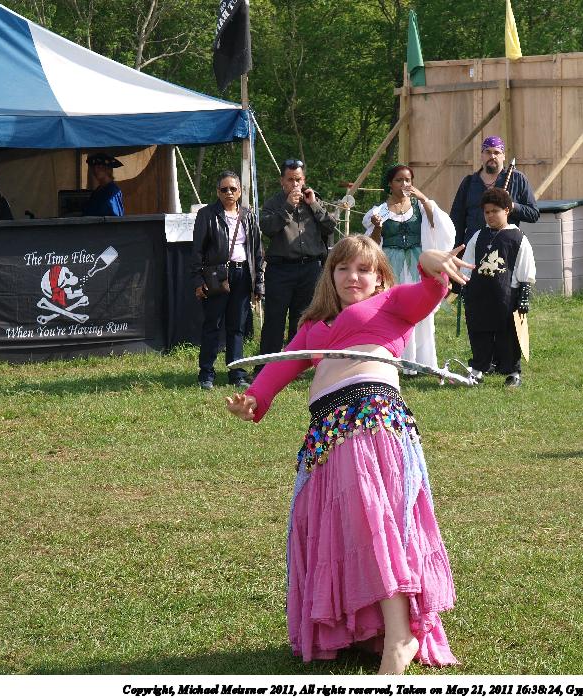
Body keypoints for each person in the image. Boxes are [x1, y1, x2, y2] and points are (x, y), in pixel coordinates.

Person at [225, 235, 471, 673]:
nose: (352, 277)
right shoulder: (314, 327)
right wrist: (253, 401)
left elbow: (429, 289)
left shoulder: (392, 304)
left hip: (369, 417)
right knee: (347, 527)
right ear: (330, 274)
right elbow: (280, 368)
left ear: (380, 278)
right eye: (343, 268)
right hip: (326, 432)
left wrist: (430, 261)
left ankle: (400, 635)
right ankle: (371, 629)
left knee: (372, 518)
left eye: (363, 269)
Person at [363, 164, 456, 370]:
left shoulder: (420, 207)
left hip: (417, 264)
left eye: (408, 180)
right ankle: (394, 360)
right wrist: (377, 226)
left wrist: (423, 198)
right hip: (391, 264)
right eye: (399, 180)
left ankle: (422, 362)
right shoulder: (380, 211)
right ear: (390, 184)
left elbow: (439, 225)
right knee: (394, 311)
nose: (404, 184)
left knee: (421, 309)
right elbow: (372, 243)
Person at [191, 170, 265, 390]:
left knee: (237, 327)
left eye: (233, 189)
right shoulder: (207, 214)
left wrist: (258, 283)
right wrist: (197, 280)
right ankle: (206, 374)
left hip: (243, 275)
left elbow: (257, 252)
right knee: (212, 325)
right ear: (217, 192)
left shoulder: (248, 215)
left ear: (240, 191)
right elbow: (196, 251)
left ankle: (237, 373)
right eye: (224, 189)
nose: (229, 193)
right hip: (217, 276)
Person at [258, 159, 337, 359]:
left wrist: (315, 205)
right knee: (274, 319)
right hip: (281, 270)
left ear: (304, 179)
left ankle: (295, 365)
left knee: (302, 319)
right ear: (282, 181)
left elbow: (330, 227)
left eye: (298, 179)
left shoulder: (314, 200)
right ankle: (267, 364)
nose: (295, 184)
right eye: (290, 180)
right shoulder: (273, 203)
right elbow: (267, 228)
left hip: (310, 269)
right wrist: (287, 207)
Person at [460, 187, 536, 388]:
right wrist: (464, 285)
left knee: (507, 335)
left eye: (495, 211)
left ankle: (512, 373)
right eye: (487, 212)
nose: (491, 215)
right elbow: (467, 263)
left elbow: (525, 267)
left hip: (505, 296)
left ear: (507, 210)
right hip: (478, 295)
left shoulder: (517, 238)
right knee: (479, 332)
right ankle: (478, 369)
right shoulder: (478, 235)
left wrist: (524, 294)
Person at [449, 135, 540, 250]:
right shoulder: (468, 182)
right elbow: (456, 220)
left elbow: (533, 214)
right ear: (482, 155)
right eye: (488, 152)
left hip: (506, 248)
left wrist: (511, 205)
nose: (492, 156)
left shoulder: (517, 179)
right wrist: (456, 251)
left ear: (503, 156)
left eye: (497, 152)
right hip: (473, 249)